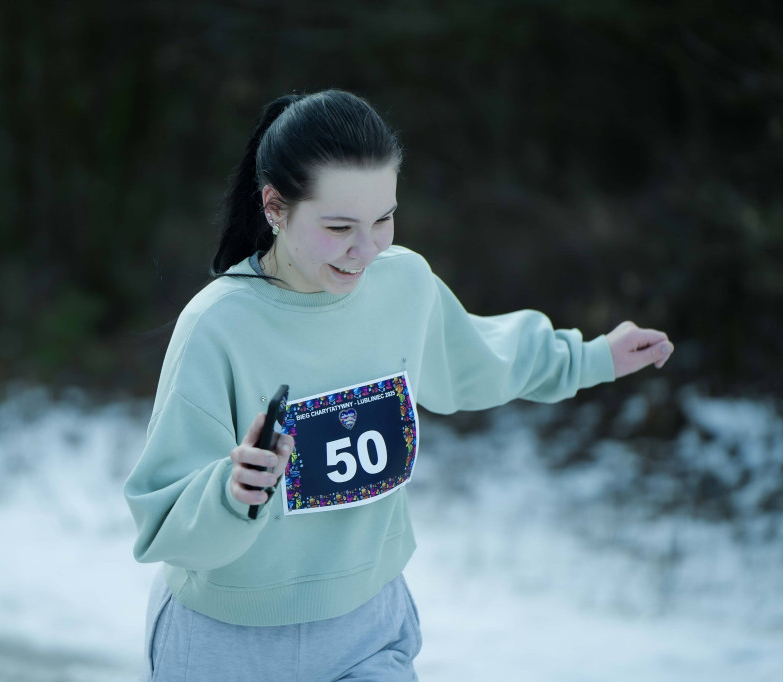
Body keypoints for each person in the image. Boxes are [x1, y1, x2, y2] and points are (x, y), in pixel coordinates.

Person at [123, 89, 674, 681]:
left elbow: (477, 358)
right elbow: (163, 523)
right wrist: (233, 492)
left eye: (383, 219)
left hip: (367, 634)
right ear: (275, 207)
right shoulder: (217, 326)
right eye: (339, 227)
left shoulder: (402, 285)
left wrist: (589, 358)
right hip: (225, 647)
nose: (366, 251)